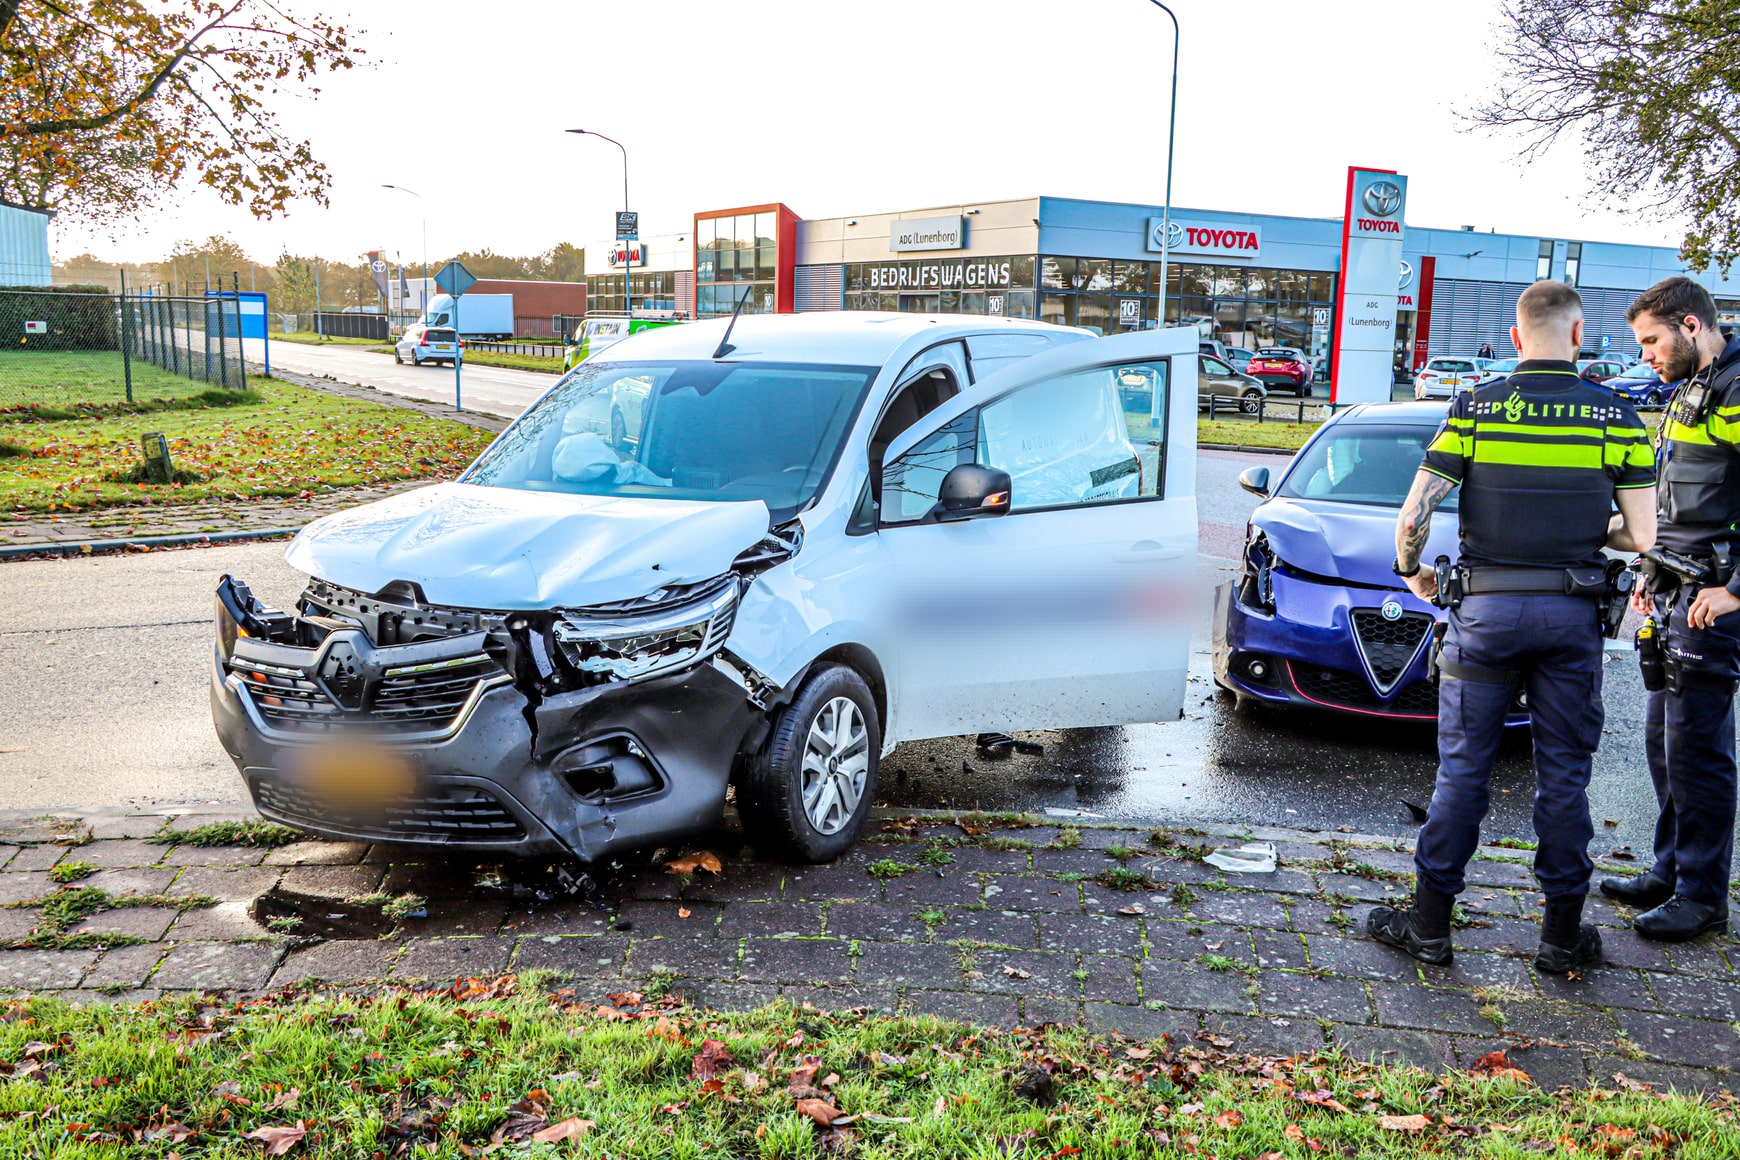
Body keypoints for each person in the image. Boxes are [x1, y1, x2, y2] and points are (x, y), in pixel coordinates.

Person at [1368, 280, 1658, 972]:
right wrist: (1591, 529)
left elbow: (1412, 518)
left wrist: (1413, 573)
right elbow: (1643, 533)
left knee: (1463, 770)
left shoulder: (1475, 407)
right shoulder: (1615, 416)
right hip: (1571, 620)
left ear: (1519, 336)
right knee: (1565, 777)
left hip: (1485, 615)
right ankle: (1561, 941)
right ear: (1580, 334)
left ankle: (1431, 929)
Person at [1603, 276, 1740, 941]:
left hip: (1714, 600)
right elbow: (1679, 500)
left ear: (1690, 326)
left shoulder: (1738, 392)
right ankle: (1670, 870)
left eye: (1652, 341)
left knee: (1699, 752)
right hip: (1674, 588)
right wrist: (1649, 569)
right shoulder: (1692, 391)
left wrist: (1737, 589)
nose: (1646, 356)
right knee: (1665, 744)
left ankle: (1704, 896)